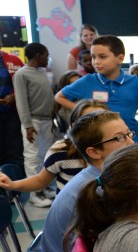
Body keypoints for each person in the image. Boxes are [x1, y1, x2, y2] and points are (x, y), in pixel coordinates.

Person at [42, 110, 135, 252]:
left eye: (129, 133)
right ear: (93, 152)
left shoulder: (99, 177)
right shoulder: (99, 190)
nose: (131, 142)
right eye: (120, 138)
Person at [55, 35, 138, 140]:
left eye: (102, 57)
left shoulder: (135, 82)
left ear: (120, 58)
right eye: (93, 57)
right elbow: (59, 97)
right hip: (97, 140)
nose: (96, 61)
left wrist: (135, 105)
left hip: (129, 139)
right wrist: (84, 110)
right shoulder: (87, 81)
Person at [0, 99, 109, 199]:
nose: (98, 126)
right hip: (73, 212)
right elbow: (40, 180)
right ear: (75, 126)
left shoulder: (117, 148)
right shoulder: (61, 151)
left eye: (103, 120)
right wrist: (12, 184)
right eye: (90, 121)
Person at [12, 42, 58, 207]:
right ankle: (34, 194)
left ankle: (44, 187)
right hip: (33, 121)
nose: (48, 58)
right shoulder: (21, 74)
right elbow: (21, 102)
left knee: (45, 155)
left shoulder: (42, 72)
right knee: (32, 157)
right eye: (46, 55)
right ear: (38, 55)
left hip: (47, 121)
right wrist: (28, 125)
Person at [0, 38, 25, 171]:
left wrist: (15, 95)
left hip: (13, 112)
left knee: (15, 148)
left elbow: (25, 82)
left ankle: (16, 184)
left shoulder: (14, 60)